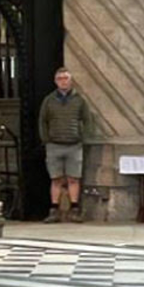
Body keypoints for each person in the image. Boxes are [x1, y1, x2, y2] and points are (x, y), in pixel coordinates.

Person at [38, 68, 93, 223]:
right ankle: (54, 210)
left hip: (74, 145)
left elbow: (87, 120)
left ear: (70, 80)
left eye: (66, 78)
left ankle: (74, 209)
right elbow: (43, 120)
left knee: (73, 178)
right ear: (56, 81)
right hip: (54, 144)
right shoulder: (49, 101)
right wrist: (45, 138)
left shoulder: (79, 100)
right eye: (60, 78)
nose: (63, 81)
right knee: (56, 179)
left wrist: (84, 138)